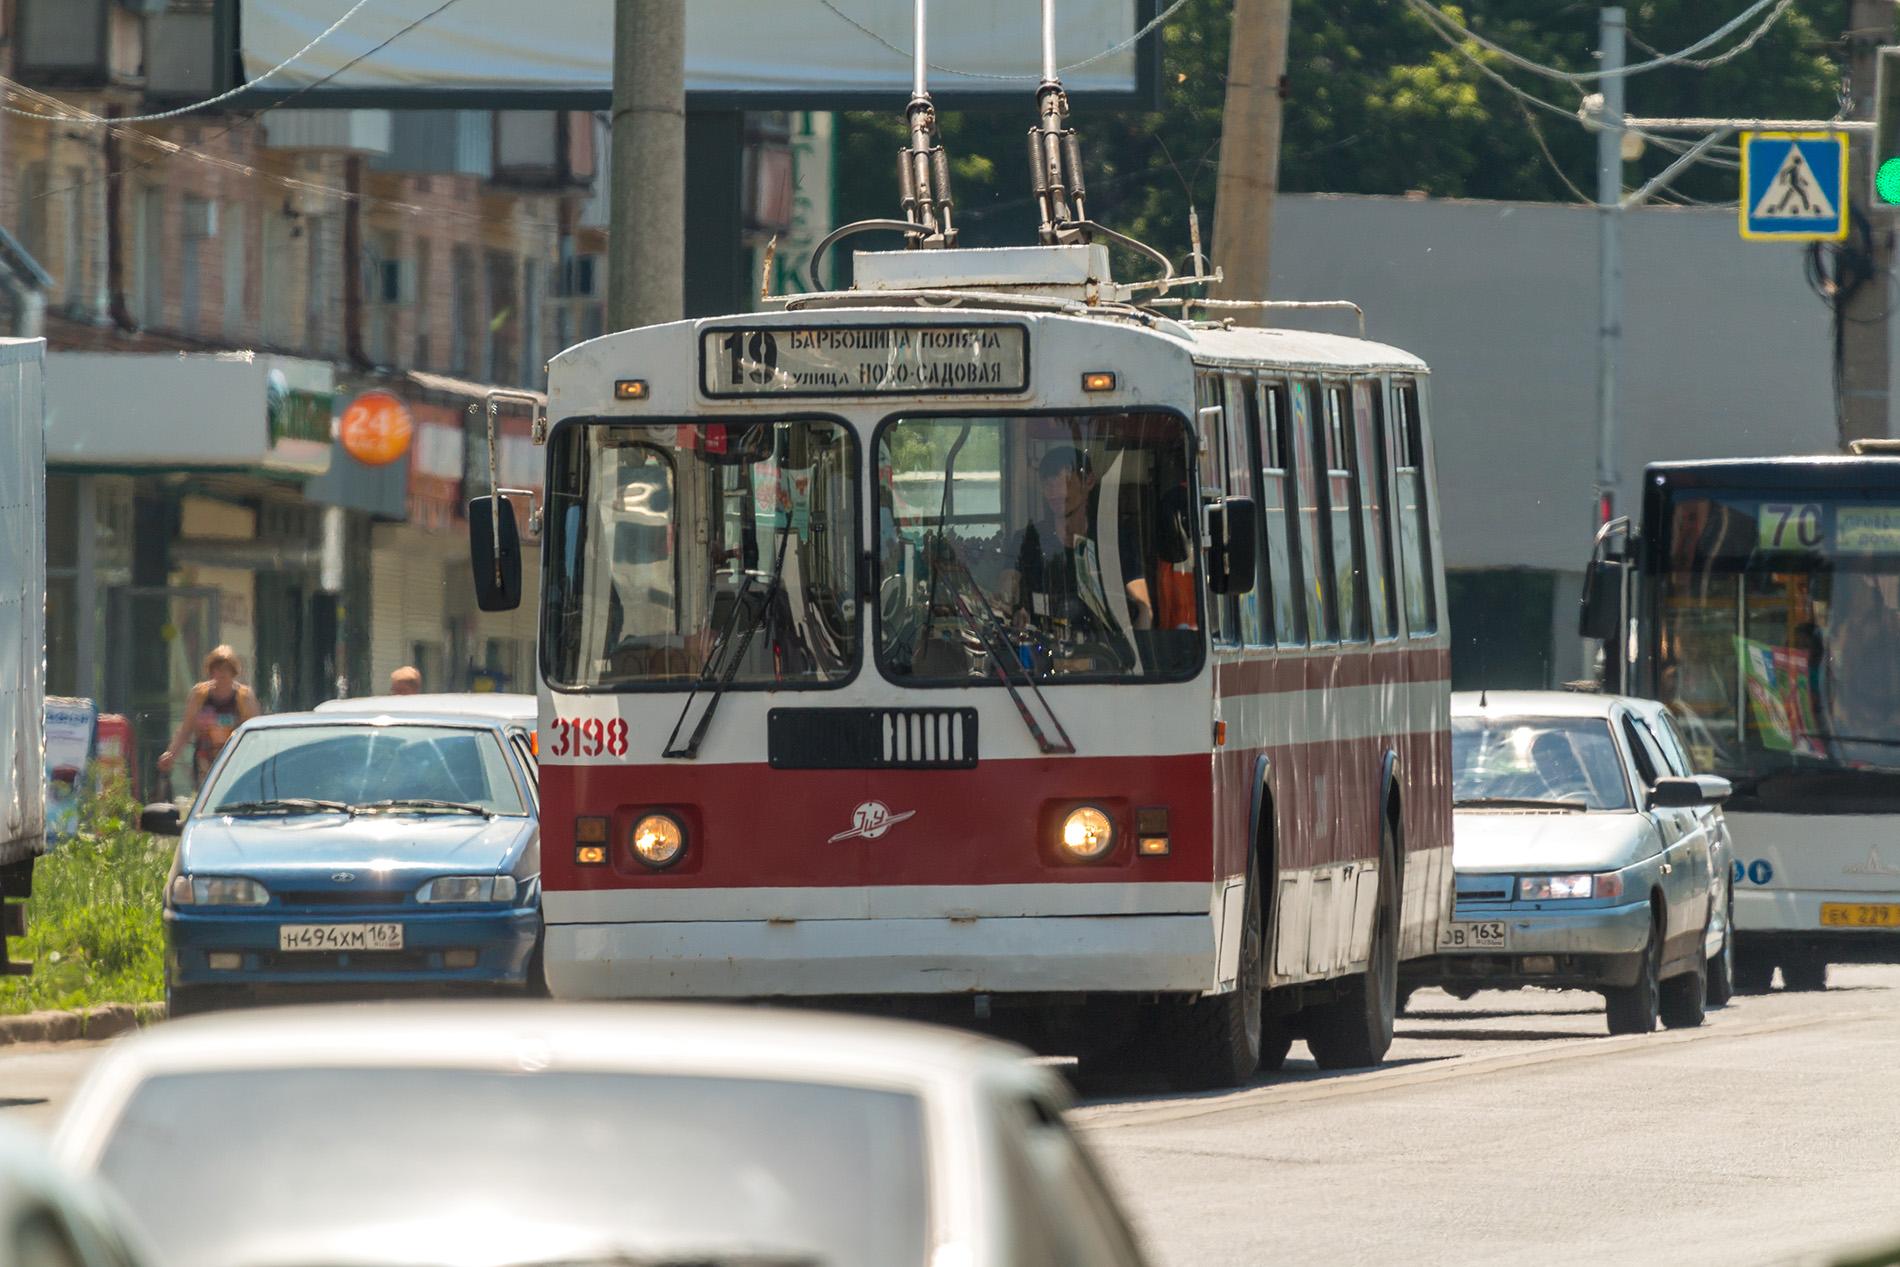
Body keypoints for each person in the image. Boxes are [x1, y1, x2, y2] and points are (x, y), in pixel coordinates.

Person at [1000, 445, 1153, 660]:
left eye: (1063, 481)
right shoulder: (1026, 540)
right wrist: (1012, 611)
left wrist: (1136, 660)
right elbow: (1006, 591)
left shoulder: (1113, 541)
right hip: (1042, 661)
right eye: (1047, 483)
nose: (1053, 491)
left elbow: (1144, 607)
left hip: (1106, 660)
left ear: (1089, 481)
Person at [157, 646, 260, 787]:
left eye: (226, 669)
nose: (221, 674)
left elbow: (255, 735)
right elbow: (185, 730)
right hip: (204, 764)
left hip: (234, 763)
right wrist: (171, 754)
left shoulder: (245, 697)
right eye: (216, 669)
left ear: (233, 672)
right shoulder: (199, 695)